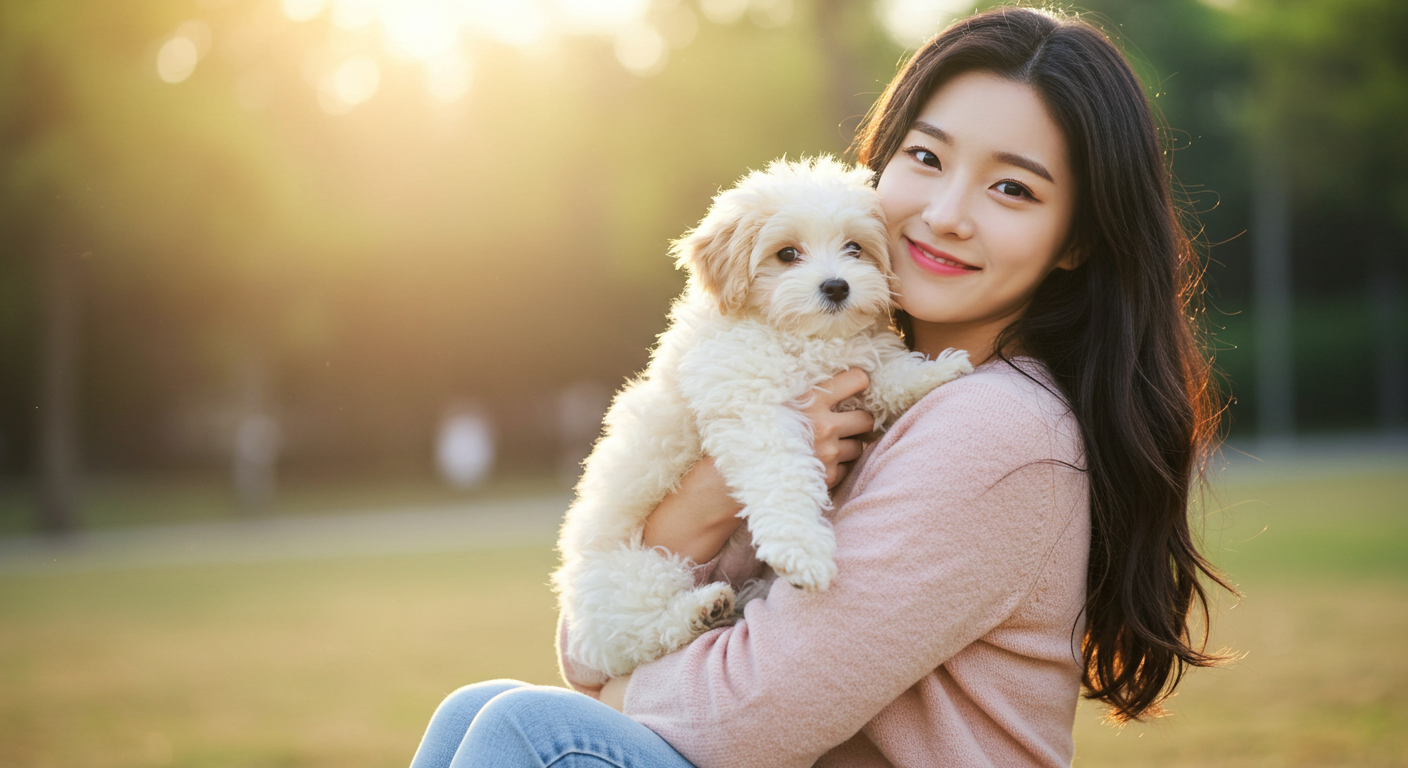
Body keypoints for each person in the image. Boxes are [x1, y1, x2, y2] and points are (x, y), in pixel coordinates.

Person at [409, 6, 1232, 767]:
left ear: (1076, 242)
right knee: (475, 710)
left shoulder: (995, 428)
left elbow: (739, 719)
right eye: (926, 156)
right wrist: (708, 494)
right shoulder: (844, 385)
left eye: (1011, 188)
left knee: (527, 731)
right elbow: (586, 642)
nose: (947, 212)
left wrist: (614, 693)